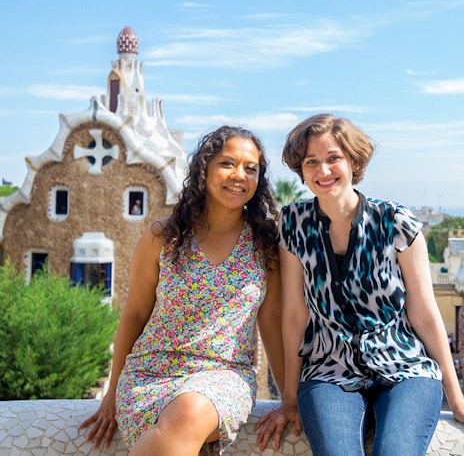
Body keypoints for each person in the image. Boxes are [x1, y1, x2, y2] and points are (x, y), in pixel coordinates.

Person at [256, 114, 464, 456]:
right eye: (312, 162)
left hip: (404, 368)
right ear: (301, 170)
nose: (323, 171)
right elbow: (294, 315)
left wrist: (456, 400)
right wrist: (289, 398)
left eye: (333, 158)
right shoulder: (293, 223)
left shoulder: (395, 222)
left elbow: (426, 315)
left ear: (353, 161)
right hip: (328, 372)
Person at [80, 125, 284, 456]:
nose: (239, 175)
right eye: (227, 163)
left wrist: (289, 399)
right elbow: (134, 314)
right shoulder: (163, 236)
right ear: (204, 169)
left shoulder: (265, 245)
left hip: (223, 375)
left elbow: (272, 319)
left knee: (189, 411)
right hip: (149, 375)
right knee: (182, 418)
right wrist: (112, 391)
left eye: (251, 168)